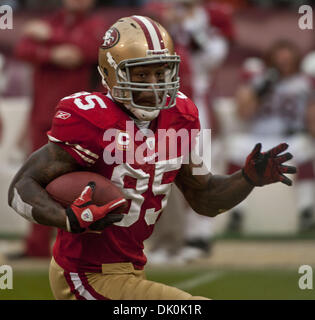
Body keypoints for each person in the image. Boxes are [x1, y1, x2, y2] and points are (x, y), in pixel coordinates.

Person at [8, 16, 296, 300]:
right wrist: (68, 218)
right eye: (141, 75)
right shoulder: (90, 118)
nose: (154, 85)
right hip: (85, 274)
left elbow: (205, 197)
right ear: (110, 74)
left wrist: (246, 179)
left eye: (161, 73)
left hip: (130, 270)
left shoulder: (178, 116)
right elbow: (22, 187)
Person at [12, 0, 104, 258]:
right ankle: (37, 246)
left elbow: (83, 51)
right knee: (34, 180)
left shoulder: (94, 25)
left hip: (77, 119)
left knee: (77, 182)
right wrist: (53, 53)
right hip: (42, 114)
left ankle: (79, 246)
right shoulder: (53, 20)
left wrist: (48, 38)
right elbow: (23, 48)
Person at [225, 40, 313, 233]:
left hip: (291, 138)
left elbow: (311, 114)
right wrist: (261, 89)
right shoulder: (258, 79)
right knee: (235, 147)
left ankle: (306, 210)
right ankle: (237, 212)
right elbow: (243, 112)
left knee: (307, 148)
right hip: (258, 137)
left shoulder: (305, 82)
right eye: (279, 57)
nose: (283, 62)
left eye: (287, 57)